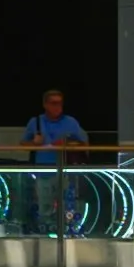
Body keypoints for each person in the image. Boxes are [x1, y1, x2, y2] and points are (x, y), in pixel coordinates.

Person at [23, 87, 93, 240]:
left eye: (60, 103)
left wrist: (68, 143)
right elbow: (22, 144)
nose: (57, 107)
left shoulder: (70, 122)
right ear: (45, 104)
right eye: (53, 103)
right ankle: (46, 237)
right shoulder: (36, 122)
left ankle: (68, 235)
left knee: (68, 205)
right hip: (43, 171)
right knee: (45, 208)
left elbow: (84, 144)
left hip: (67, 172)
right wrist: (34, 143)